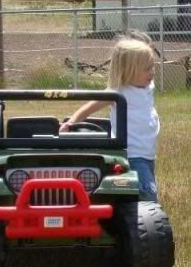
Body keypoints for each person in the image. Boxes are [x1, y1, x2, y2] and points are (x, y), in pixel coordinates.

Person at [61, 36, 160, 201]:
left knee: (142, 190)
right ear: (128, 70)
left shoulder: (148, 86)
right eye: (147, 68)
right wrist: (71, 123)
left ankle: (135, 217)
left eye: (152, 67)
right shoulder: (118, 92)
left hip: (148, 153)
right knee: (147, 193)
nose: (152, 72)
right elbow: (89, 107)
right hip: (131, 154)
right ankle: (146, 224)